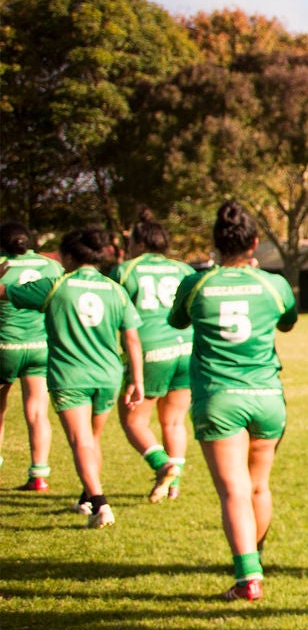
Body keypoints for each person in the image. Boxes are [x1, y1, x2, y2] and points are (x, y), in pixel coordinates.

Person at [169, 202, 298, 597]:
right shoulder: (273, 285)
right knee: (258, 486)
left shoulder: (197, 284)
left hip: (219, 397)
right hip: (266, 396)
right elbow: (289, 321)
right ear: (255, 242)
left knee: (234, 492)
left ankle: (248, 579)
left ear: (215, 243)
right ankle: (253, 559)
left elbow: (177, 321)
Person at [2, 226, 145, 527]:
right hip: (108, 375)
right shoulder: (114, 289)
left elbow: (4, 293)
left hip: (71, 375)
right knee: (92, 439)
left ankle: (100, 503)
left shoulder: (56, 285)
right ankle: (86, 499)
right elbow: (132, 338)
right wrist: (137, 379)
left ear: (67, 255)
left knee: (80, 440)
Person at [113, 210, 197, 503]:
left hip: (149, 350)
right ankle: (174, 486)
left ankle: (163, 464)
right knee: (173, 421)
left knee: (134, 421)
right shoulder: (185, 269)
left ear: (138, 242)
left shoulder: (125, 269)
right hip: (187, 346)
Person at [0, 221, 60, 492]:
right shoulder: (50, 265)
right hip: (40, 345)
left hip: (5, 346)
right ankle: (39, 474)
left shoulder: (2, 264)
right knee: (37, 411)